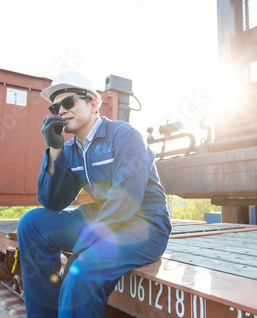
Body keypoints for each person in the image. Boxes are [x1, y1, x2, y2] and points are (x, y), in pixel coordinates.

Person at [17, 71, 172, 317]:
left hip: (144, 223)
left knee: (83, 269)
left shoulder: (124, 135)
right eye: (55, 107)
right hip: (102, 217)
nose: (62, 111)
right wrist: (54, 149)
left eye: (69, 103)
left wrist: (85, 244)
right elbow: (52, 201)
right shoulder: (70, 149)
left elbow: (126, 197)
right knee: (32, 223)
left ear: (94, 103)